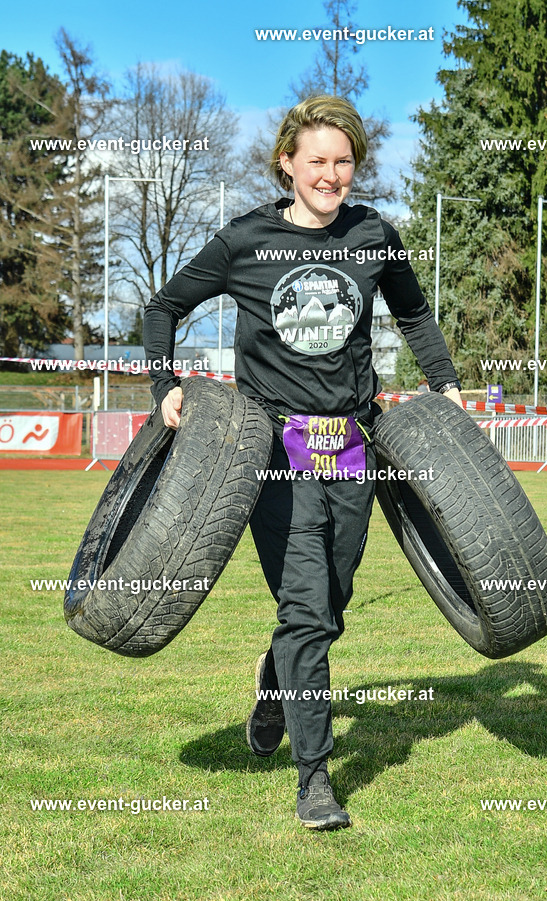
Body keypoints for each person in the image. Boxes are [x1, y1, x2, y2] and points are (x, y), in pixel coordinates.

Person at [143, 95, 463, 831]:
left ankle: (274, 681)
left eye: (343, 161)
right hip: (273, 448)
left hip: (352, 441)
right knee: (305, 605)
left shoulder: (372, 235)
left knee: (334, 601)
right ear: (286, 161)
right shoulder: (246, 240)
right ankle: (314, 781)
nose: (330, 174)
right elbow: (163, 307)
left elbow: (412, 314)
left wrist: (444, 384)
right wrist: (166, 386)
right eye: (316, 160)